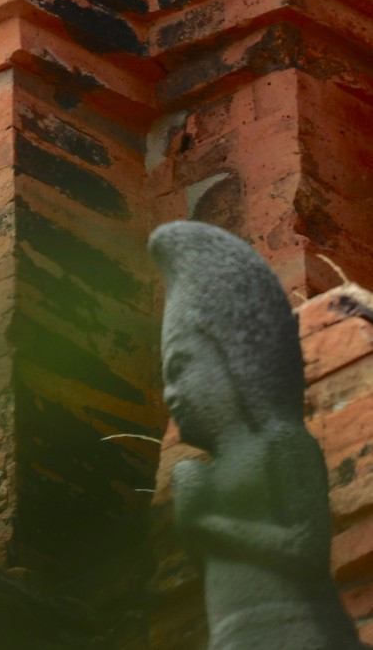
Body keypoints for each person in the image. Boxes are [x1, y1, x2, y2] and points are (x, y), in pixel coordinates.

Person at [150, 221, 359, 650]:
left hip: (293, 626)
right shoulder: (215, 469)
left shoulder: (282, 442)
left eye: (181, 368)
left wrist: (207, 525)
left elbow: (304, 547)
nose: (171, 393)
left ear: (235, 357)